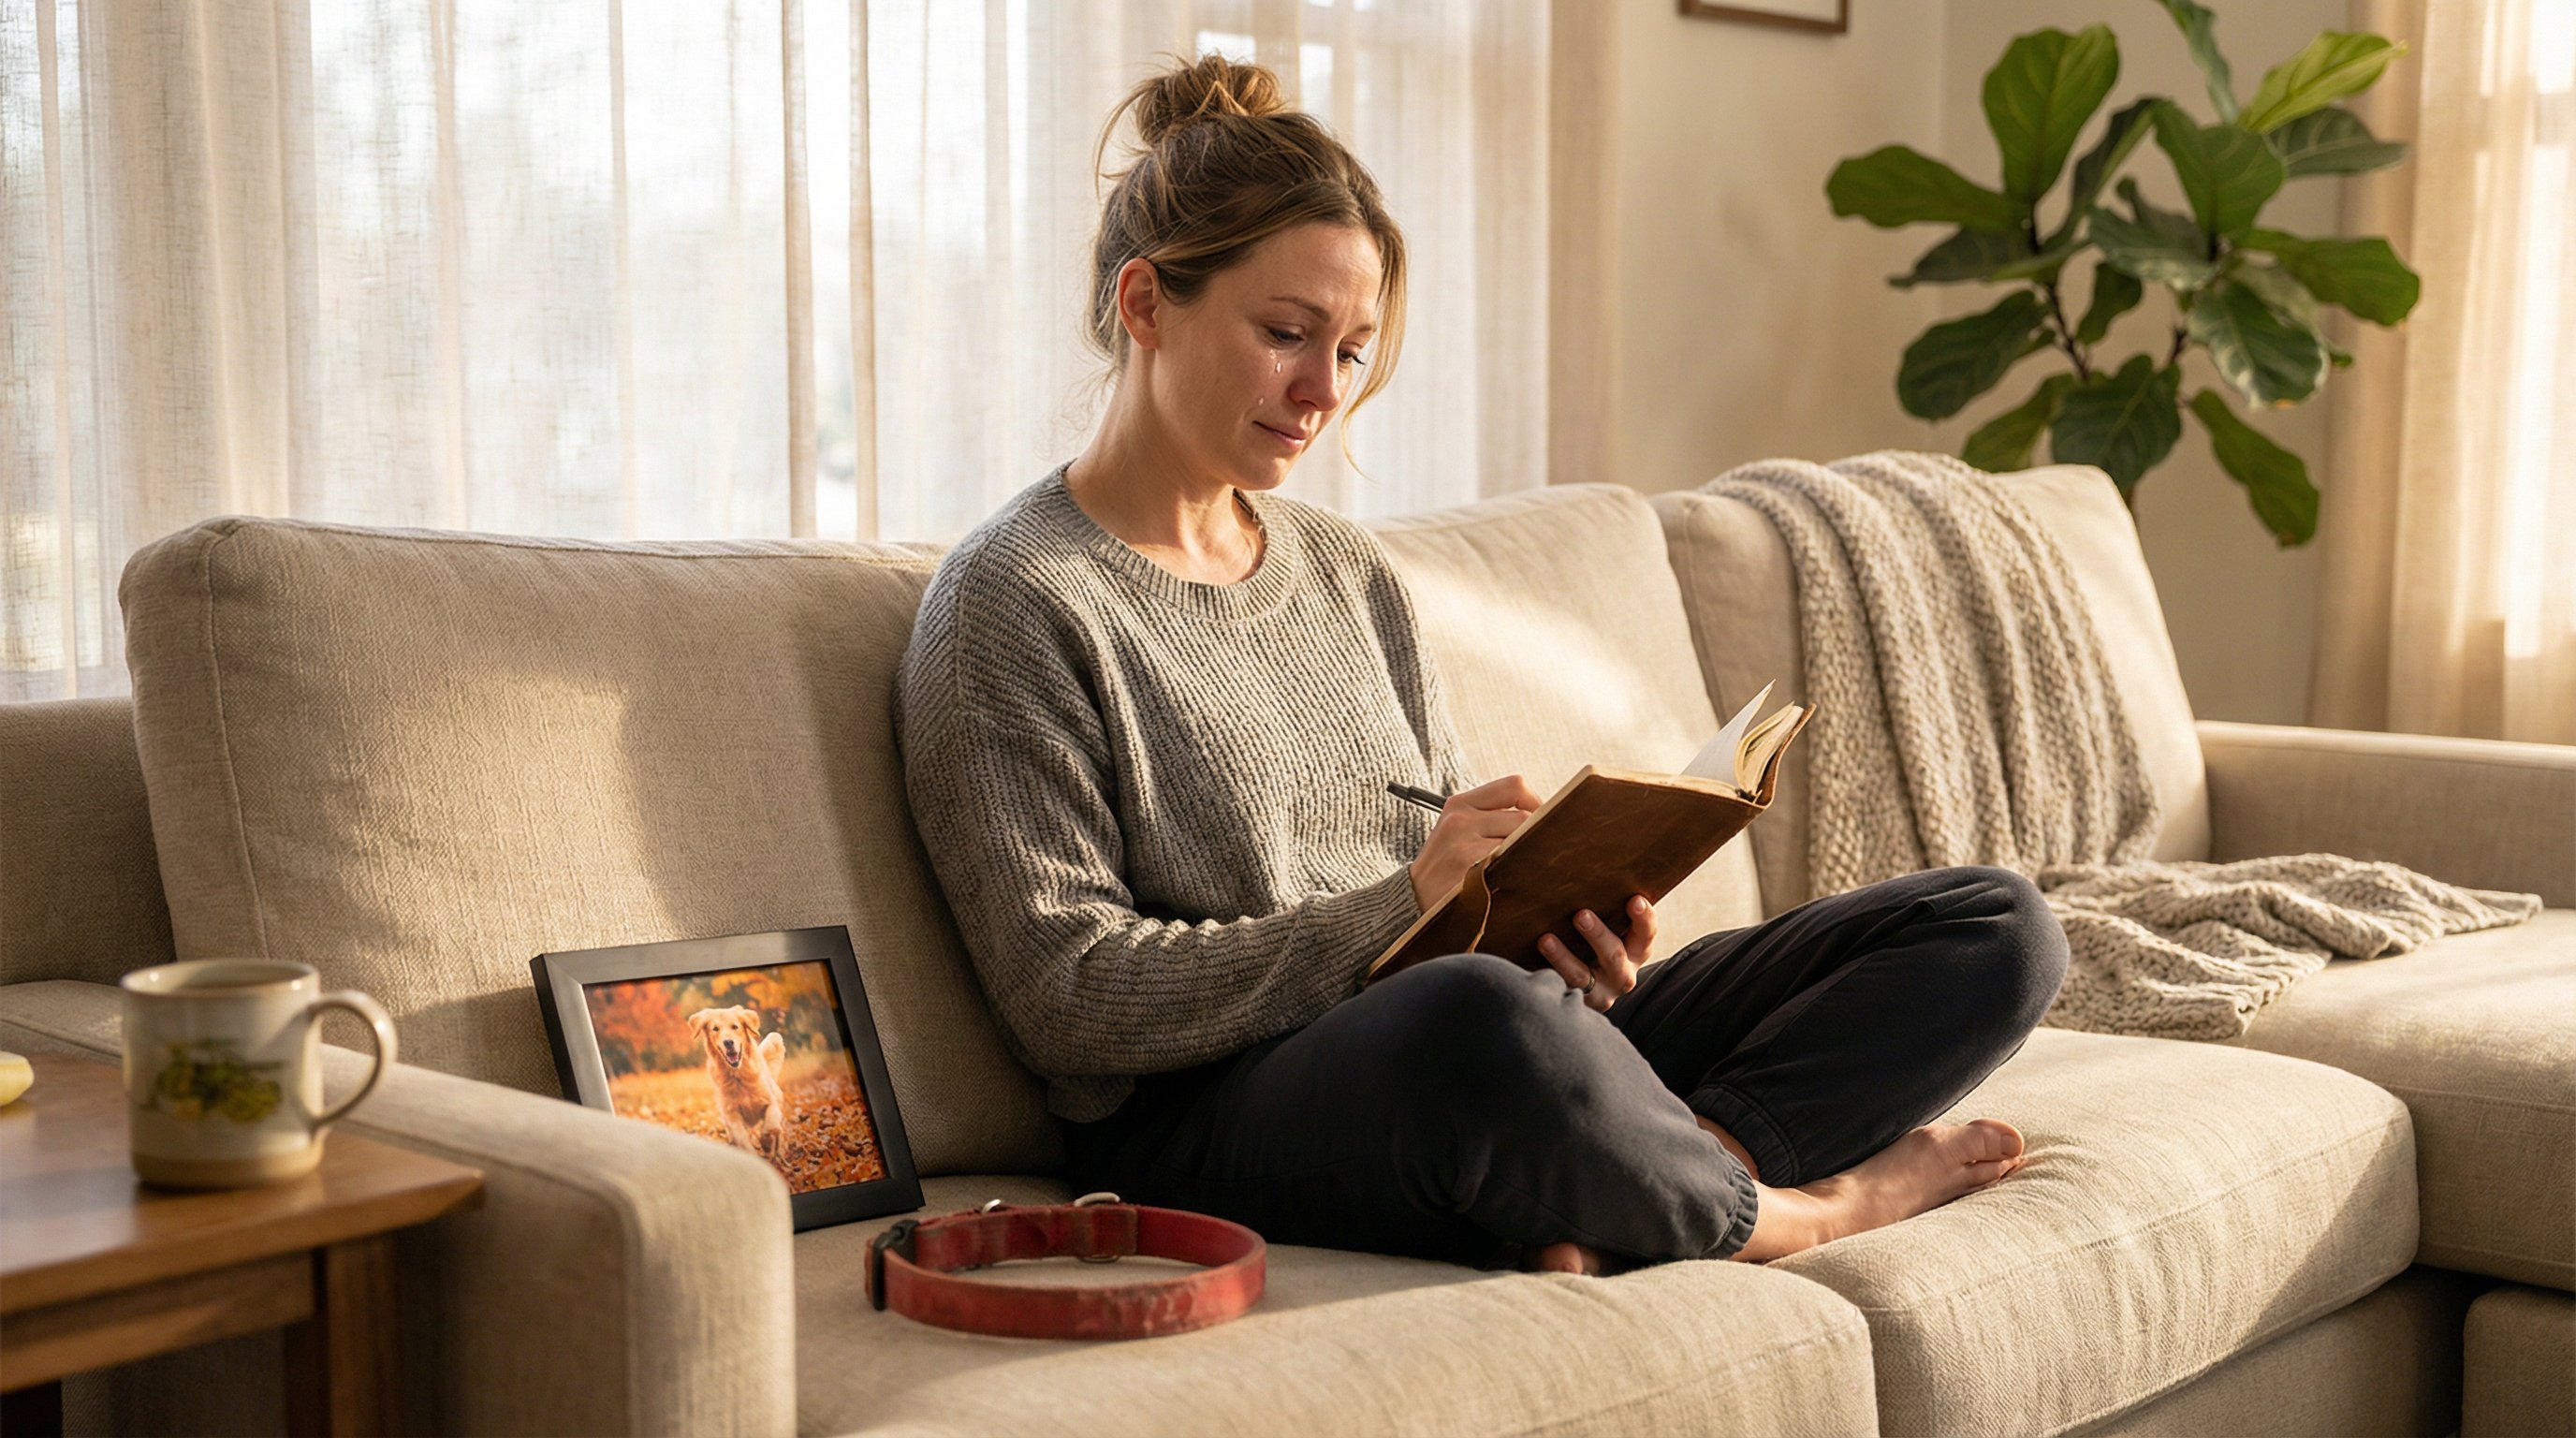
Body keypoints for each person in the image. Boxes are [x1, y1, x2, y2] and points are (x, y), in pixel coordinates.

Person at [894, 53, 2069, 1275]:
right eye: (1287, 335)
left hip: (1473, 1043)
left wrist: (1551, 921)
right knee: (1482, 1019)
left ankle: (1642, 1184)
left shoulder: (1347, 574)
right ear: (1145, 304)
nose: (1320, 394)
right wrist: (1403, 914)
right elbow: (1068, 994)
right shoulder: (1014, 601)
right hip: (1217, 1113)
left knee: (1994, 925)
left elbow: (1454, 893)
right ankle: (1798, 1213)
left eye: (1349, 353)